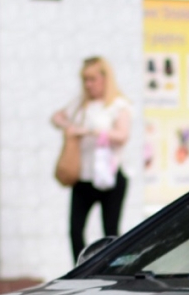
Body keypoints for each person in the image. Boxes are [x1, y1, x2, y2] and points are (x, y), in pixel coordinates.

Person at [51, 55, 133, 259]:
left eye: (92, 79)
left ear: (105, 78)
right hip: (84, 178)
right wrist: (69, 127)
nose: (88, 85)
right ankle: (81, 270)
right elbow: (56, 117)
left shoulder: (118, 105)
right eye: (85, 80)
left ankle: (114, 271)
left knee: (111, 231)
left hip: (111, 176)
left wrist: (91, 132)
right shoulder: (81, 103)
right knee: (75, 230)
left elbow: (123, 135)